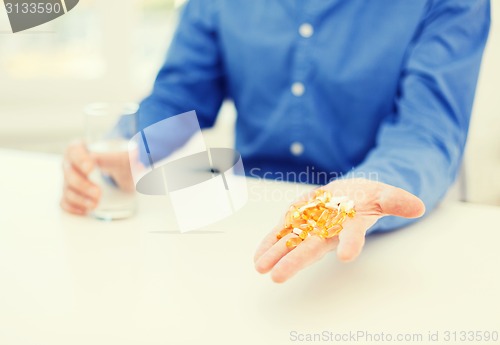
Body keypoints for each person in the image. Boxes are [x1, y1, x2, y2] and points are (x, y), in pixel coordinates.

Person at [60, 0, 490, 282]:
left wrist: (369, 191)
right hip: (247, 229)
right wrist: (129, 148)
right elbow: (181, 96)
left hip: (391, 248)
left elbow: (427, 130)